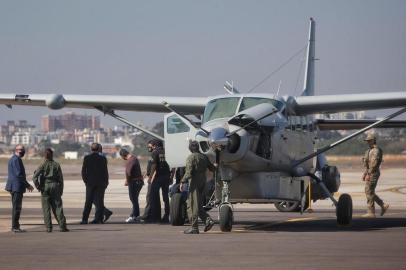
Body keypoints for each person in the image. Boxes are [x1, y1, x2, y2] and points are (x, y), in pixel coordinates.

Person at [180, 141, 216, 234]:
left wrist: (182, 181)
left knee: (192, 205)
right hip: (203, 181)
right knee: (198, 204)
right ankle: (208, 220)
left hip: (194, 182)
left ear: (190, 148)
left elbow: (188, 172)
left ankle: (194, 227)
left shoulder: (191, 157)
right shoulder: (203, 156)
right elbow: (212, 168)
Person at [33, 148, 69, 232]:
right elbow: (61, 179)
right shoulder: (56, 165)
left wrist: (38, 187)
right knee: (58, 207)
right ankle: (62, 226)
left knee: (46, 208)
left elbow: (35, 177)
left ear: (44, 156)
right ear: (52, 155)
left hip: (45, 187)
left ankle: (49, 228)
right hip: (55, 186)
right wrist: (61, 190)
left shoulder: (42, 165)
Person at [5, 145, 34, 233]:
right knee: (17, 207)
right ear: (16, 150)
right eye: (21, 150)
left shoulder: (12, 159)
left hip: (13, 186)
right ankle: (15, 227)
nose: (23, 151)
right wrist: (27, 185)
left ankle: (15, 226)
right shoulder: (16, 160)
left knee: (15, 207)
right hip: (16, 187)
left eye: (23, 150)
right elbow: (19, 175)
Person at [80, 143, 109, 224]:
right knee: (100, 202)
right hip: (101, 183)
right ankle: (98, 219)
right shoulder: (103, 158)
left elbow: (83, 171)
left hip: (90, 183)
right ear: (99, 149)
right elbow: (105, 172)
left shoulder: (87, 158)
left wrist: (85, 181)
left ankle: (84, 219)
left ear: (91, 149)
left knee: (88, 201)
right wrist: (106, 182)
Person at [362, 134, 389, 218]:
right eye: (367, 141)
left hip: (373, 172)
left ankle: (371, 212)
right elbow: (367, 163)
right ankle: (383, 205)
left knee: (368, 190)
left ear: (374, 140)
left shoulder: (376, 150)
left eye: (369, 140)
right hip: (370, 172)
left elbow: (374, 164)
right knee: (369, 191)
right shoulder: (369, 150)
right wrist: (365, 173)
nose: (368, 142)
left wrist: (369, 174)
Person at [119, 148, 144, 223]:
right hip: (138, 181)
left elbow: (128, 172)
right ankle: (134, 215)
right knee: (135, 199)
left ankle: (135, 216)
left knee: (133, 199)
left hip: (134, 182)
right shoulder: (134, 158)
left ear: (123, 155)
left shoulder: (130, 160)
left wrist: (127, 181)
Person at [154, 140, 171, 223]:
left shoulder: (155, 153)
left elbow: (154, 165)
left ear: (156, 145)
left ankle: (157, 216)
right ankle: (167, 215)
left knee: (155, 197)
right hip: (167, 176)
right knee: (166, 197)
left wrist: (150, 177)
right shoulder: (167, 151)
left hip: (158, 177)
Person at [137, 140, 154, 221]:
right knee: (150, 197)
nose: (148, 148)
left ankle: (147, 215)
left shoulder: (155, 154)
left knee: (149, 196)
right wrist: (146, 173)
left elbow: (155, 167)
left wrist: (151, 177)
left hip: (153, 178)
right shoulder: (152, 155)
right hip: (151, 177)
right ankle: (149, 214)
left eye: (149, 146)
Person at [97, 144, 113, 223]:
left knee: (96, 200)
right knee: (98, 200)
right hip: (102, 181)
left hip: (98, 182)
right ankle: (103, 213)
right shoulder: (103, 157)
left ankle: (103, 214)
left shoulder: (99, 157)